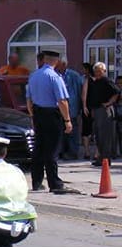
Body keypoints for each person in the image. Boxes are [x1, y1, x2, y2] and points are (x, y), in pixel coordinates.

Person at [26, 50, 79, 194]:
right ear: (56, 61)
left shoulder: (33, 76)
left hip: (38, 113)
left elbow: (29, 100)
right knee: (52, 149)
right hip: (51, 114)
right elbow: (62, 101)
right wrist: (67, 120)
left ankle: (36, 181)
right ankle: (54, 183)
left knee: (39, 148)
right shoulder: (55, 77)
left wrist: (33, 116)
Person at [86, 62, 119, 167]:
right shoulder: (95, 82)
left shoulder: (106, 81)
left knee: (105, 136)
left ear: (104, 71)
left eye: (99, 71)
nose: (97, 73)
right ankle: (101, 158)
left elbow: (117, 92)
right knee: (98, 136)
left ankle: (106, 159)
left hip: (104, 111)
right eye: (96, 71)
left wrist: (109, 103)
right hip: (96, 110)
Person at [55, 59, 82, 159]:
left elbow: (79, 91)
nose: (59, 67)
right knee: (61, 131)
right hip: (58, 108)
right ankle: (61, 151)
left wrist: (79, 107)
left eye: (61, 65)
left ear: (65, 65)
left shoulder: (74, 75)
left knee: (72, 131)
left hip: (72, 108)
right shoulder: (55, 75)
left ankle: (73, 152)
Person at [80, 62, 96, 160]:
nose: (82, 71)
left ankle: (87, 151)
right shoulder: (97, 80)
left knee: (87, 130)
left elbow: (84, 94)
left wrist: (84, 106)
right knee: (94, 129)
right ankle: (94, 153)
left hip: (90, 107)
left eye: (83, 69)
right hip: (95, 107)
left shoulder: (87, 80)